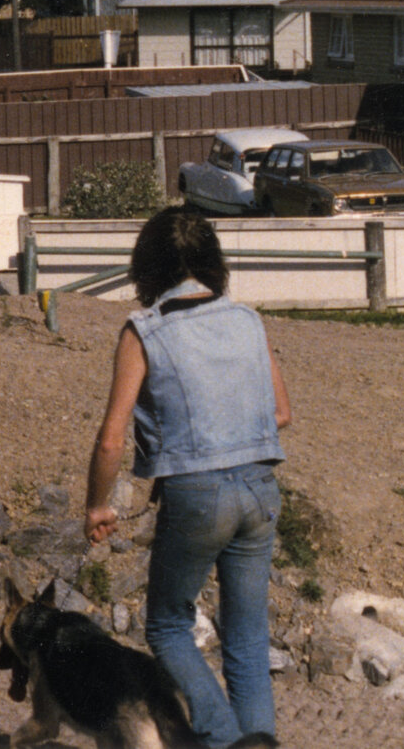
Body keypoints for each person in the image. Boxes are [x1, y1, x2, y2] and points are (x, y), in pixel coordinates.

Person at [85, 208, 291, 749]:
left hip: (197, 493)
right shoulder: (247, 319)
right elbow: (281, 413)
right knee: (247, 638)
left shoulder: (144, 332)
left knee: (169, 626)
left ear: (144, 268)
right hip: (262, 486)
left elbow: (111, 439)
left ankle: (221, 742)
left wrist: (96, 506)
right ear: (212, 263)